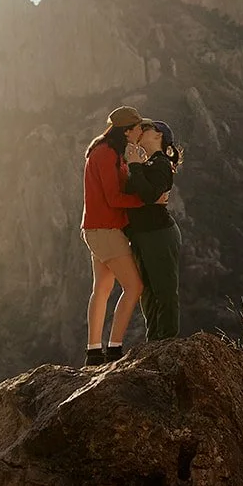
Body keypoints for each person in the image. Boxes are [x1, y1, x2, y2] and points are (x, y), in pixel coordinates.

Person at [81, 105, 167, 367]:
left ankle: (94, 352)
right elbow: (114, 197)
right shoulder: (106, 154)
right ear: (127, 131)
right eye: (138, 128)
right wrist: (150, 202)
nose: (141, 131)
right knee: (134, 286)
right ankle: (114, 348)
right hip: (105, 229)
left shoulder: (105, 151)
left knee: (103, 289)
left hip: (98, 229)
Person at [123, 120, 183, 341]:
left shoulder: (161, 164)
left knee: (164, 289)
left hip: (159, 233)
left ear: (159, 136)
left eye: (146, 129)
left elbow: (148, 195)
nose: (141, 131)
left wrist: (135, 166)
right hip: (141, 235)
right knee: (147, 291)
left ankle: (167, 341)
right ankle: (154, 341)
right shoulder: (148, 163)